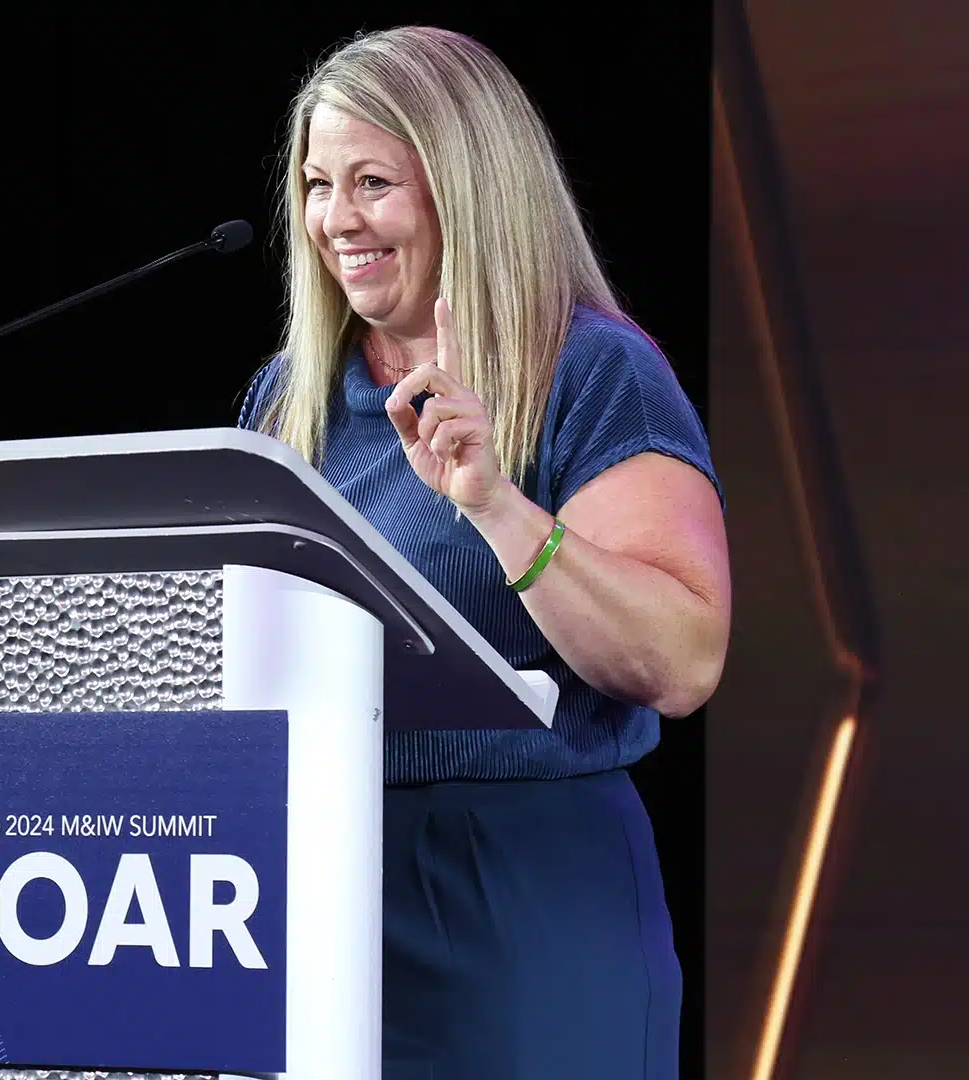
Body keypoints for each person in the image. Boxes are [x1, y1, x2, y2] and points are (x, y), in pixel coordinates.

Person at [237, 26, 730, 1080]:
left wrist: (496, 505)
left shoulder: (592, 371)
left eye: (374, 181)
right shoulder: (291, 400)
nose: (337, 219)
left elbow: (681, 661)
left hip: (515, 890)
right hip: (308, 892)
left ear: (468, 187)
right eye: (319, 183)